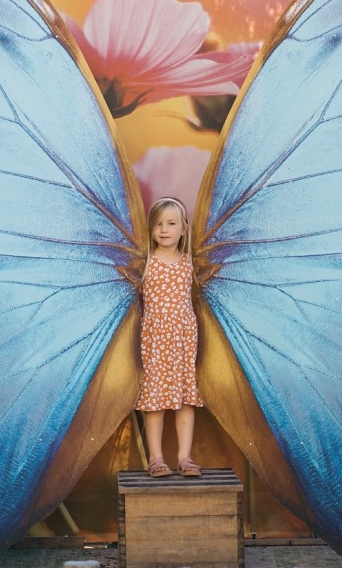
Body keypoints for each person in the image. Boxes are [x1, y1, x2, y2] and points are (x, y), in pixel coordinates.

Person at [135, 197, 206, 478]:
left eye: (171, 223)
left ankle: (185, 457)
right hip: (154, 340)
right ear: (151, 229)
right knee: (155, 400)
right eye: (158, 224)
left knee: (185, 398)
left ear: (183, 229)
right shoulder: (145, 263)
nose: (164, 229)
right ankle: (155, 457)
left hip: (184, 339)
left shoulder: (189, 263)